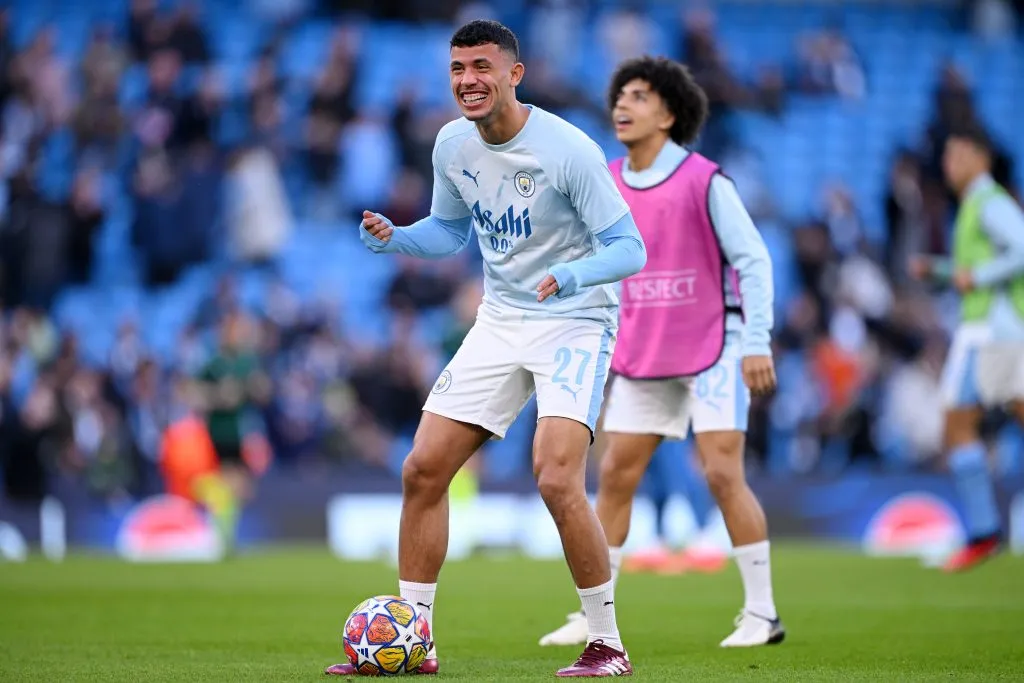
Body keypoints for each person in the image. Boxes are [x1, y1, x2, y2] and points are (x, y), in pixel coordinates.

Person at [325, 20, 645, 678]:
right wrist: (397, 238)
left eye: (481, 67)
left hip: (576, 319)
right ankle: (416, 641)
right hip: (501, 319)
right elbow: (449, 232)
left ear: (513, 74)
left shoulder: (568, 150)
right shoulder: (452, 144)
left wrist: (574, 275)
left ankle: (607, 644)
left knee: (556, 476)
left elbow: (630, 248)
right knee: (422, 469)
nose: (467, 80)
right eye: (457, 69)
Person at [539, 56, 784, 650]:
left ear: (669, 115)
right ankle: (594, 614)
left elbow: (753, 260)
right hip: (644, 353)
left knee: (722, 471)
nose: (623, 105)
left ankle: (762, 614)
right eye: (620, 95)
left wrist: (756, 340)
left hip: (713, 345)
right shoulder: (606, 181)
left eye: (640, 96)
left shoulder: (706, 180)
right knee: (616, 475)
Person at [909, 127, 1024, 572]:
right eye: (947, 156)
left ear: (982, 158)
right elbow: (972, 269)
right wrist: (939, 271)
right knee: (958, 423)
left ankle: (984, 532)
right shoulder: (974, 204)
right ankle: (983, 532)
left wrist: (976, 277)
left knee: (960, 423)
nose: (949, 165)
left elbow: (1020, 248)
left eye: (958, 156)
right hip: (983, 330)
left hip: (994, 331)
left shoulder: (989, 201)